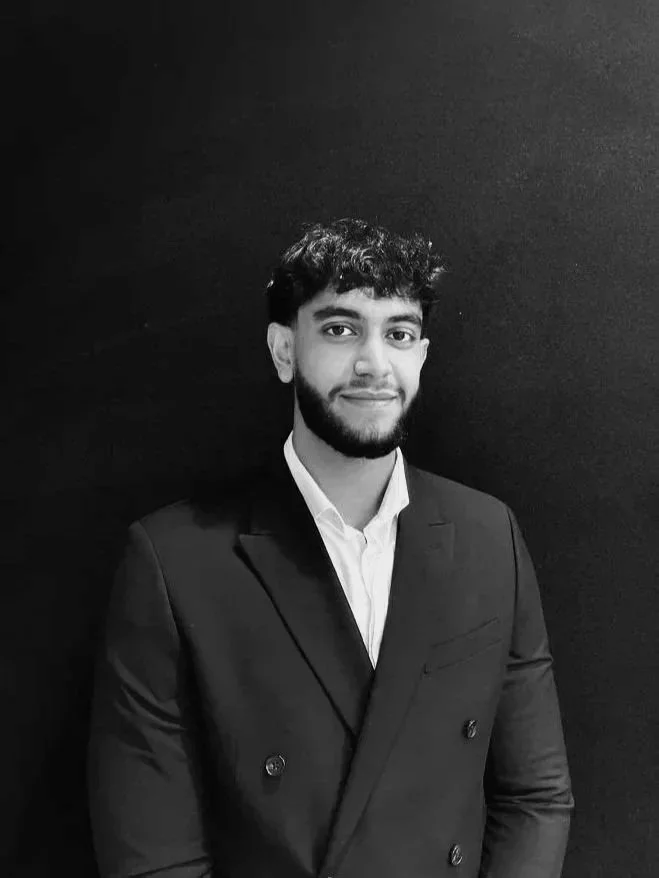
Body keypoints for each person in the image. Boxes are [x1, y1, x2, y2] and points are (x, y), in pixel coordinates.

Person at [88, 218, 574, 878]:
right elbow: (152, 858)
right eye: (341, 329)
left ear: (421, 357)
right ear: (284, 350)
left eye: (397, 333)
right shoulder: (174, 560)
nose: (374, 362)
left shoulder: (488, 536)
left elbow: (535, 798)